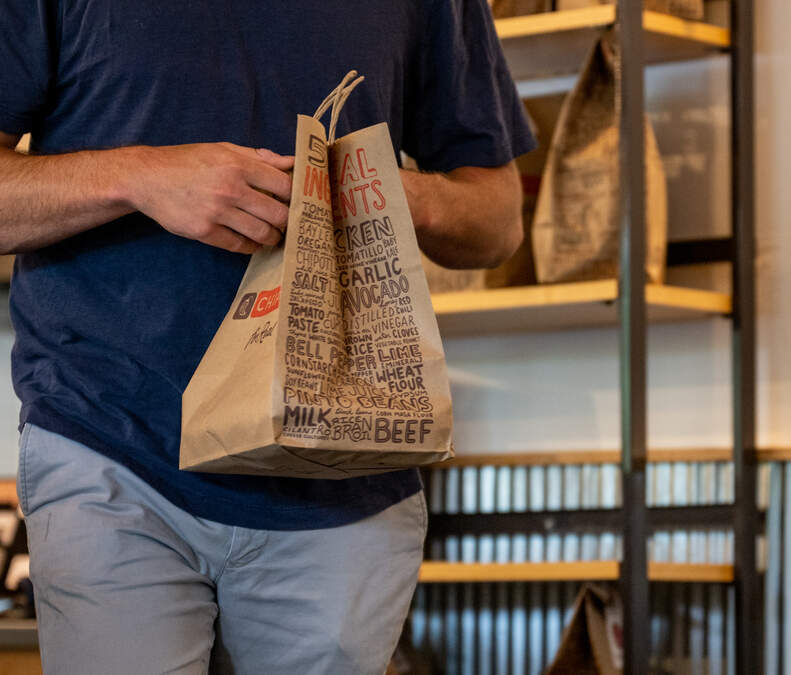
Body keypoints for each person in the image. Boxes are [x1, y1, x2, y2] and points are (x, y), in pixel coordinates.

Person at [0, 0, 533, 672]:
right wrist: (139, 177)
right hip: (110, 444)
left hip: (344, 469)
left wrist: (399, 195)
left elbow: (499, 221)